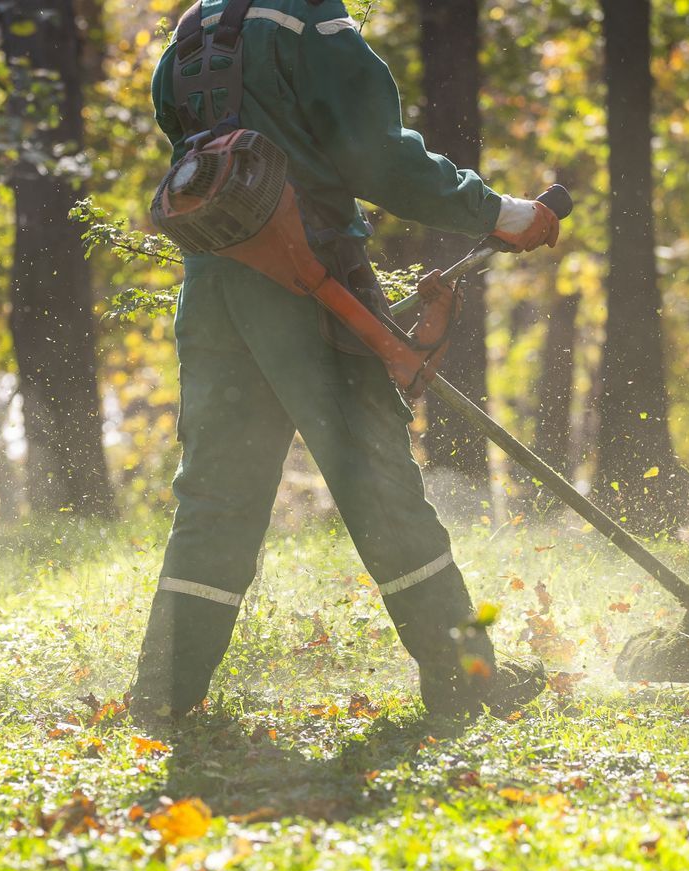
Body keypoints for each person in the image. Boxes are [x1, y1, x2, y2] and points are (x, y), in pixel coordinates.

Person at [129, 0, 563, 723]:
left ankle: (162, 693)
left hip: (213, 291)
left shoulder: (193, 33)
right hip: (313, 286)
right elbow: (376, 156)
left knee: (215, 499)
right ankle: (465, 676)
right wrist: (497, 213)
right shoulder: (308, 20)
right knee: (381, 486)